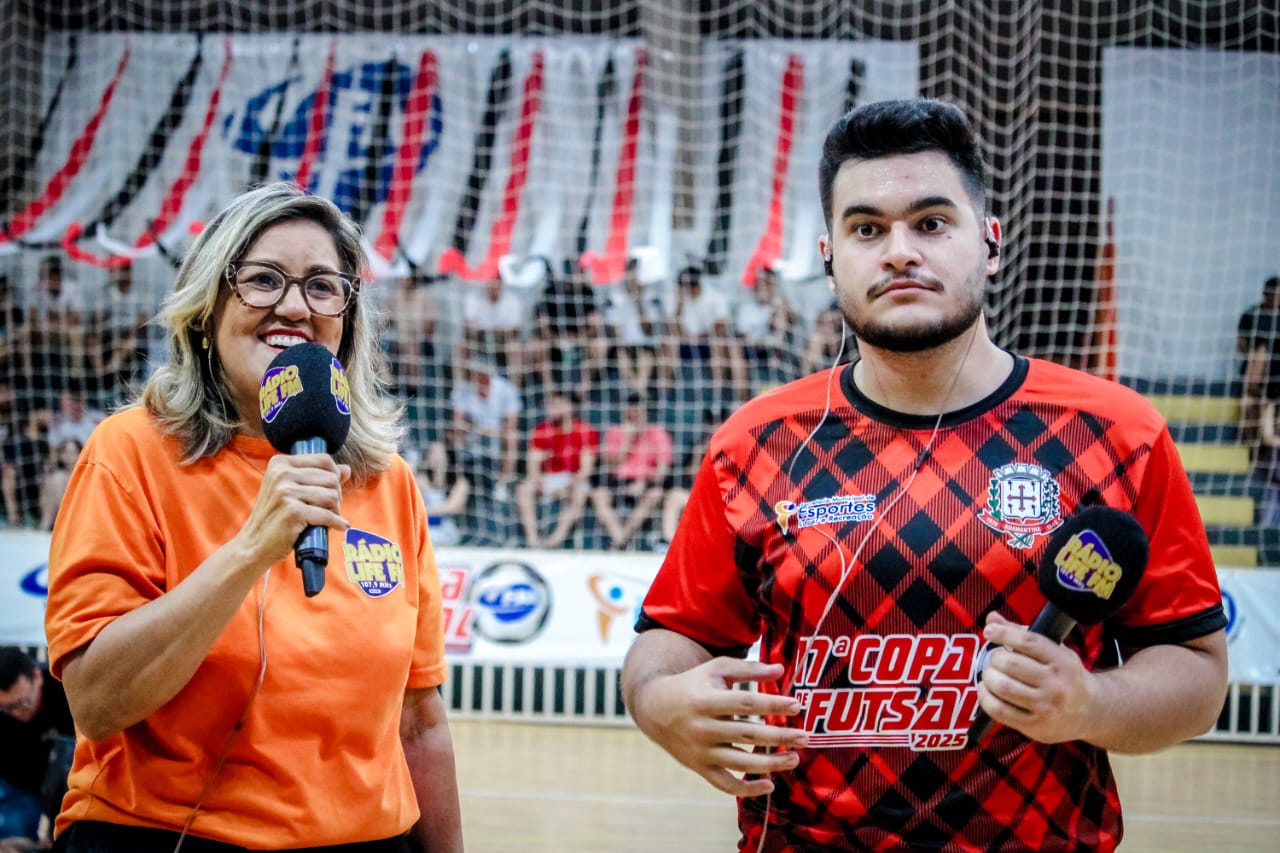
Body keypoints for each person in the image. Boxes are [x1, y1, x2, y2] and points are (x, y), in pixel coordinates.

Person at [621, 99, 1228, 852]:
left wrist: (1092, 704)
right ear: (829, 258)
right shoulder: (755, 442)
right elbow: (671, 638)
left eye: (932, 223)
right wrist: (658, 701)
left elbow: (1196, 672)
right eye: (867, 229)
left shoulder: (1118, 433)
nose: (899, 252)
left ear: (991, 243)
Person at [42, 182, 463, 852]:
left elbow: (419, 721)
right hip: (168, 837)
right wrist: (250, 551)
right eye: (263, 279)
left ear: (346, 319)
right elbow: (95, 703)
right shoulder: (130, 452)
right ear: (207, 308)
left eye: (322, 286)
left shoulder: (388, 480)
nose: (294, 306)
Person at [0, 647, 75, 850]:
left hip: (65, 777)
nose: (16, 713)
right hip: (17, 781)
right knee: (13, 832)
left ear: (37, 678)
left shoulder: (64, 690)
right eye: (6, 708)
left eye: (22, 703)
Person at [514, 391, 598, 549]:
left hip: (573, 479)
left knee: (580, 492)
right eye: (550, 405)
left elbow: (586, 469)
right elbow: (533, 463)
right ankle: (533, 541)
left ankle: (554, 541)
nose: (552, 408)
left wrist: (568, 486)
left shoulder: (585, 431)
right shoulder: (542, 430)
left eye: (557, 404)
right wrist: (537, 479)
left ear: (571, 407)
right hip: (548, 478)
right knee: (523, 489)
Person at [589, 394, 673, 550]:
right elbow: (609, 466)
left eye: (638, 414)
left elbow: (663, 471)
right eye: (631, 414)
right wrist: (627, 440)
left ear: (645, 414)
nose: (635, 418)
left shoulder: (659, 434)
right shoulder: (614, 433)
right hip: (617, 481)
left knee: (655, 495)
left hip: (647, 483)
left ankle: (621, 541)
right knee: (598, 495)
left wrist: (643, 481)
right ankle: (620, 539)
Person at [1237, 276, 1279, 452]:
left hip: (1276, 376)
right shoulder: (1251, 315)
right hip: (1255, 375)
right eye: (1274, 295)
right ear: (1265, 294)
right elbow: (1241, 344)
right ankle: (1252, 451)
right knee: (1248, 405)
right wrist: (1256, 357)